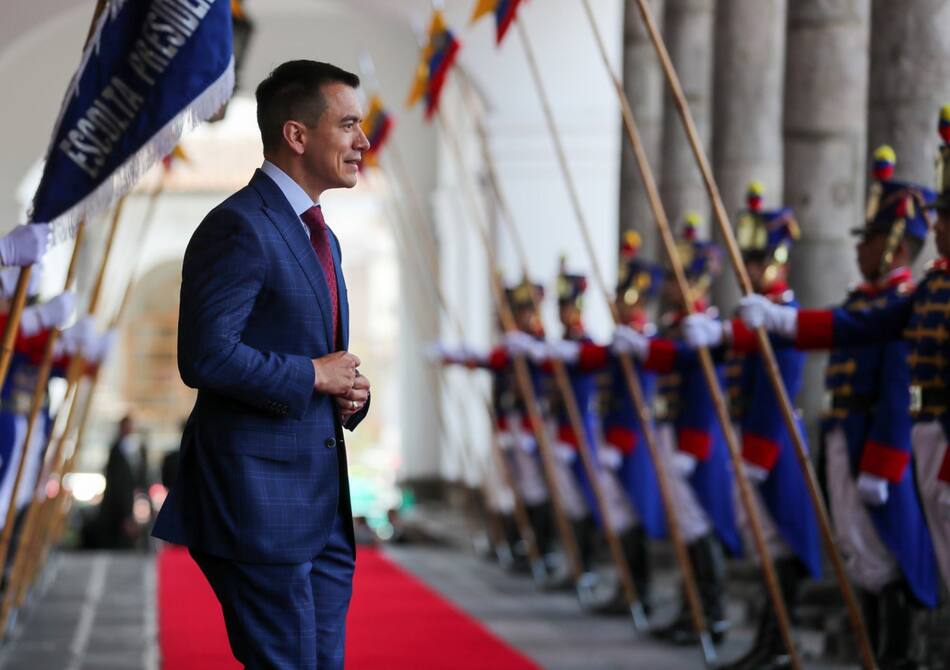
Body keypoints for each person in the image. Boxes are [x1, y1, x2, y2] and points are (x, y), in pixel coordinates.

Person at [151, 60, 371, 669]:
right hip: (259, 503)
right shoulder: (240, 226)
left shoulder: (318, 232)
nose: (363, 140)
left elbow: (312, 351)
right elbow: (206, 356)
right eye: (348, 124)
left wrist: (348, 389)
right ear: (298, 135)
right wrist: (311, 375)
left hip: (321, 504)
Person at [737, 109, 950, 625]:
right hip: (925, 441)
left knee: (893, 553)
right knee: (878, 551)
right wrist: (785, 322)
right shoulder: (932, 286)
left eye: (946, 217)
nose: (940, 226)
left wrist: (883, 462)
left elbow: (896, 382)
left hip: (932, 442)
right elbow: (862, 327)